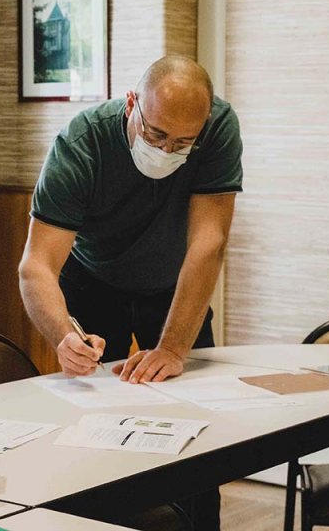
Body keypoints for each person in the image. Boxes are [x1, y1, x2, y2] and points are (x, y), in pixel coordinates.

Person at [19, 55, 242, 383]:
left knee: (193, 390)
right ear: (130, 105)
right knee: (96, 391)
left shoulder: (218, 127)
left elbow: (208, 243)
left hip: (174, 284)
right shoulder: (81, 144)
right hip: (93, 281)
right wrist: (64, 337)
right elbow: (36, 265)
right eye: (156, 134)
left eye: (182, 143)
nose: (166, 151)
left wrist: (173, 349)